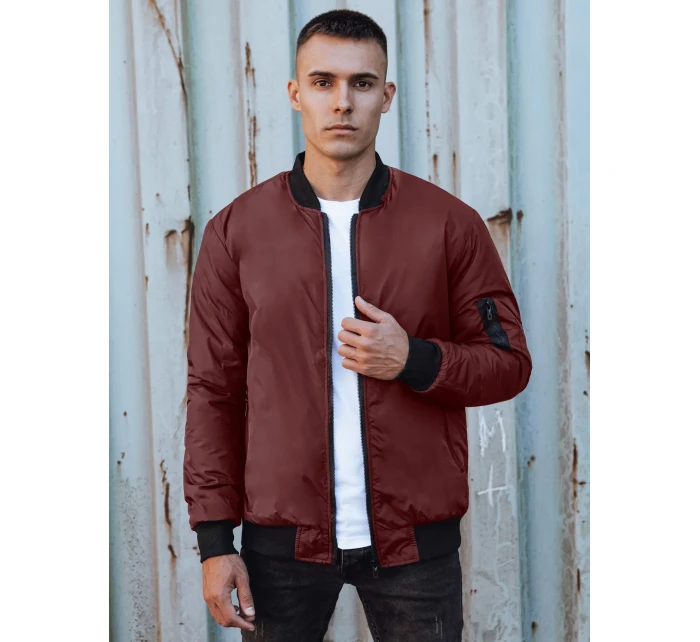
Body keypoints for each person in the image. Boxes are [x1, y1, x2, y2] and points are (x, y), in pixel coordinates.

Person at [183, 9, 532, 641]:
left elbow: (507, 363)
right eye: (323, 82)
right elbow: (213, 390)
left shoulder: (447, 224)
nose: (342, 102)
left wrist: (414, 359)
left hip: (413, 545)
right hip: (279, 544)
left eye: (361, 83)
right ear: (295, 93)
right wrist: (214, 542)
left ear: (386, 95)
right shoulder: (237, 231)